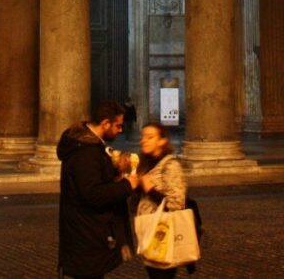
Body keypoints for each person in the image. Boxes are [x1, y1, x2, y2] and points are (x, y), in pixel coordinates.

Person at [57, 100, 140, 279]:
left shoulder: (89, 146)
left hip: (85, 233)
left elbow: (90, 180)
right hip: (86, 235)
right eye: (117, 125)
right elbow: (92, 194)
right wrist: (128, 185)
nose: (120, 130)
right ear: (105, 123)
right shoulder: (86, 153)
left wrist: (114, 171)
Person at [133, 122, 188, 279]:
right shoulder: (145, 165)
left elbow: (177, 204)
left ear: (162, 141)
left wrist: (149, 188)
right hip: (148, 232)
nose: (144, 140)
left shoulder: (171, 166)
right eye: (143, 136)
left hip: (164, 235)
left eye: (150, 137)